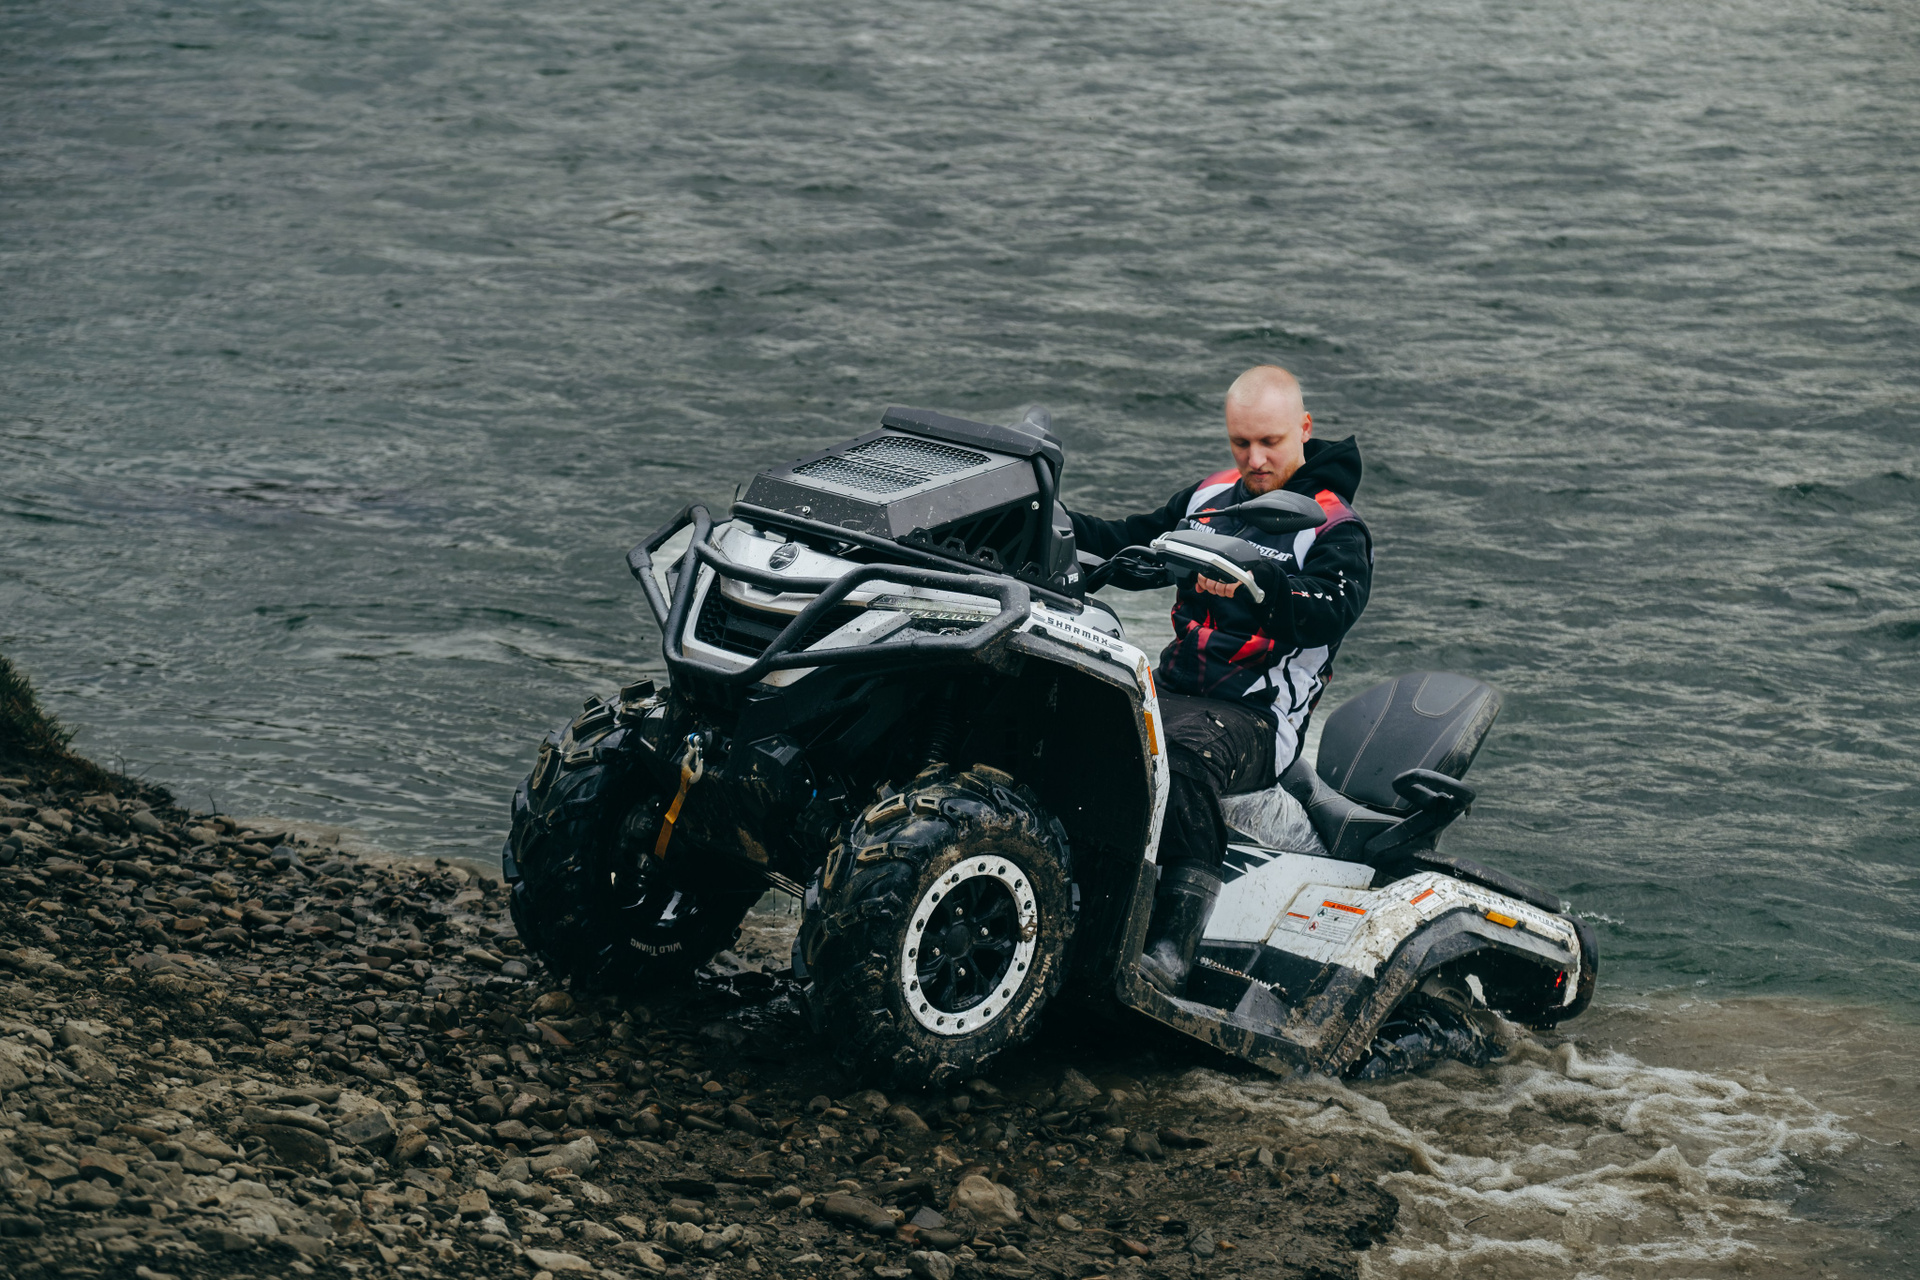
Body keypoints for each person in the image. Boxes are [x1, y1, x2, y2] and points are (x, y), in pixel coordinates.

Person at [1069, 366, 1373, 994]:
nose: (1255, 460)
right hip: (1176, 688)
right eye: (1241, 443)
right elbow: (1127, 543)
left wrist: (1260, 582)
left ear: (1304, 429)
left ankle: (1173, 945)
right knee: (1077, 716)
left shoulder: (1335, 529)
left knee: (1177, 759)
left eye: (1270, 442)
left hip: (1257, 717)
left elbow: (1329, 610)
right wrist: (1046, 522)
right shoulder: (1208, 500)